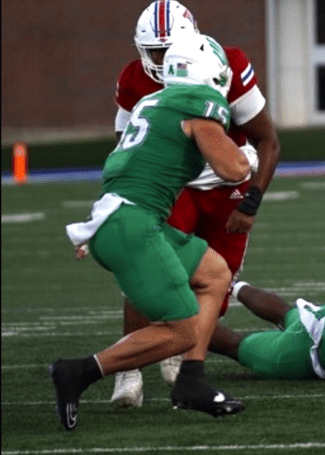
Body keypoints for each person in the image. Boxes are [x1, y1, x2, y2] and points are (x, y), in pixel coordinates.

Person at [52, 34, 249, 430]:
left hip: (121, 217)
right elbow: (234, 170)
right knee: (181, 329)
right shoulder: (199, 101)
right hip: (134, 224)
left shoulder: (151, 101)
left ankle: (191, 381)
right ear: (207, 70)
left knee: (214, 274)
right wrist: (248, 159)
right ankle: (79, 372)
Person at [110, 0, 281, 407]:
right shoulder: (135, 78)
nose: (165, 60)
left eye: (173, 49)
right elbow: (125, 143)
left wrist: (251, 201)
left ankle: (184, 361)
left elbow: (267, 140)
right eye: (156, 52)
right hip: (175, 186)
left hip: (228, 186)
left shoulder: (227, 65)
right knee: (145, 270)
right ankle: (127, 367)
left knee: (215, 284)